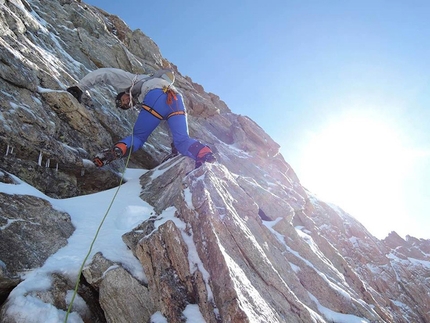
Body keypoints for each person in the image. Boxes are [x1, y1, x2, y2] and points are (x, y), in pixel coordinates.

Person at [66, 68, 216, 169]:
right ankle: (205, 155)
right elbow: (168, 123)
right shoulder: (145, 92)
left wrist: (80, 87)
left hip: (155, 95)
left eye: (122, 100)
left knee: (138, 136)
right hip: (176, 99)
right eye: (125, 106)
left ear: (123, 93)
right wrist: (174, 146)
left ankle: (115, 151)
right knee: (182, 140)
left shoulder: (132, 81)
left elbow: (105, 73)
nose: (125, 102)